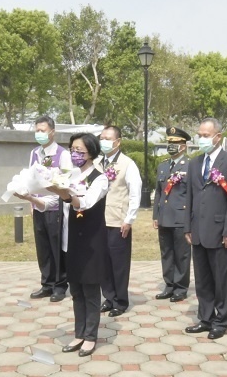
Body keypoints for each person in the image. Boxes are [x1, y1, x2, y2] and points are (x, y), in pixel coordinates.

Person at [183, 117, 227, 339]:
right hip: (198, 231)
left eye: (206, 135)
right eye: (200, 135)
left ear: (218, 137)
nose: (202, 139)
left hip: (220, 232)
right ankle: (205, 318)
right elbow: (190, 196)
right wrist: (187, 226)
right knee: (202, 279)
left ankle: (221, 320)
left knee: (221, 279)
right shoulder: (195, 163)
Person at [50, 133, 110, 357]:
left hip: (91, 241)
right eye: (72, 149)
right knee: (75, 289)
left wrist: (67, 196)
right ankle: (79, 333)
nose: (74, 154)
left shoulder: (100, 178)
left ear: (92, 152)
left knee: (90, 290)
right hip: (70, 239)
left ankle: (90, 336)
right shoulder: (69, 175)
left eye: (79, 151)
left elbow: (85, 203)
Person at [23, 116, 71, 302]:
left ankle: (60, 285)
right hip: (39, 205)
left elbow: (66, 181)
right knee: (42, 247)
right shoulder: (34, 153)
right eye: (37, 130)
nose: (39, 134)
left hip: (55, 205)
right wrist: (31, 202)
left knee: (56, 246)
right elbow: (30, 179)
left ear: (52, 131)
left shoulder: (63, 154)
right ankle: (47, 283)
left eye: (43, 130)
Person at [97, 125, 142, 317]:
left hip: (118, 220)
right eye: (102, 138)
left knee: (118, 263)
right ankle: (108, 297)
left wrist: (129, 219)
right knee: (103, 262)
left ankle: (120, 301)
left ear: (117, 142)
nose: (104, 142)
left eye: (108, 138)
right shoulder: (97, 162)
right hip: (99, 220)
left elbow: (135, 192)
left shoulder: (127, 164)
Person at [152, 126, 192, 302]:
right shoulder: (163, 166)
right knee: (166, 253)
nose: (171, 146)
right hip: (164, 217)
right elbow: (159, 192)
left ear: (183, 146)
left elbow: (192, 195)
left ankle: (180, 288)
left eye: (175, 143)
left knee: (181, 254)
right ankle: (169, 285)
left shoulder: (190, 166)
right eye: (169, 142)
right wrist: (155, 215)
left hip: (181, 217)